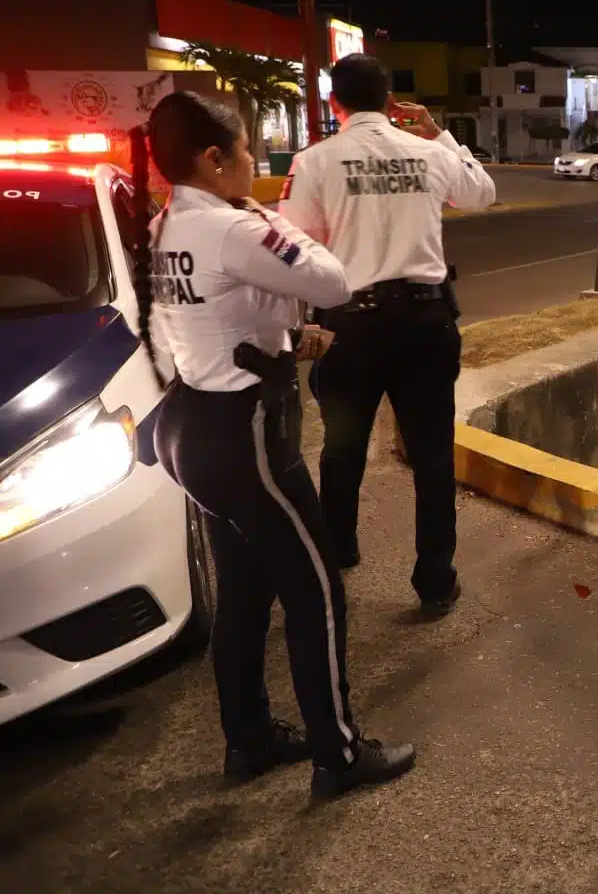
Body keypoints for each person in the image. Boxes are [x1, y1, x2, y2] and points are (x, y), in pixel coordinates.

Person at [132, 91, 416, 798]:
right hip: (246, 436)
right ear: (212, 158)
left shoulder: (163, 227)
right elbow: (331, 277)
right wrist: (265, 216)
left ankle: (250, 738)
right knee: (317, 591)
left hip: (191, 424)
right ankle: (339, 756)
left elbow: (212, 321)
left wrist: (287, 341)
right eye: (245, 151)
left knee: (246, 593)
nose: (254, 164)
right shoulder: (234, 228)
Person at [279, 53, 495, 616]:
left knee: (343, 447)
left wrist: (304, 320)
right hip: (425, 324)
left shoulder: (315, 162)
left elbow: (294, 249)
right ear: (391, 102)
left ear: (335, 104)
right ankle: (434, 580)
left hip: (350, 325)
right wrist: (439, 134)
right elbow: (482, 194)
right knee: (431, 456)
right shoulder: (427, 153)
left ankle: (337, 553)